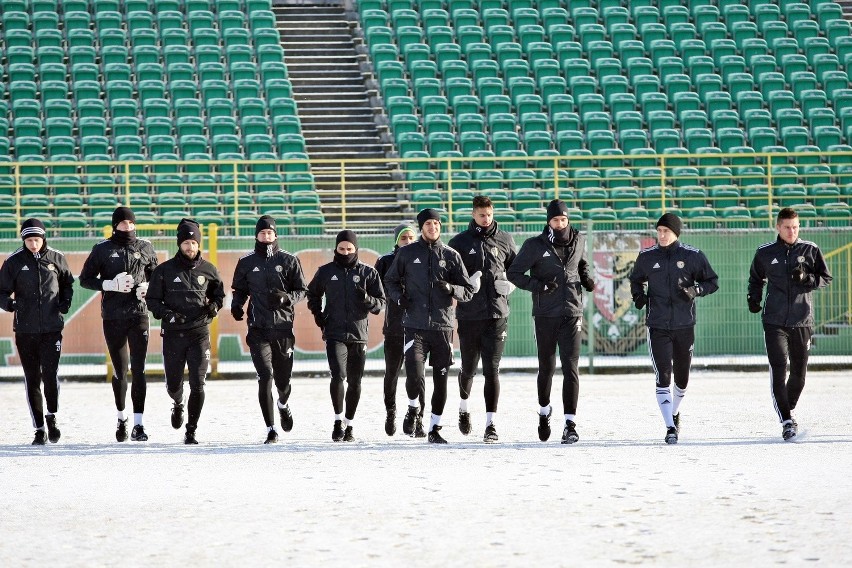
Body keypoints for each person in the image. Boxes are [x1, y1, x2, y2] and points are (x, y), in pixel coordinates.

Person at [384, 208, 475, 444]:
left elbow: (467, 291)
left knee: (441, 380)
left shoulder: (451, 255)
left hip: (443, 328)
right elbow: (390, 280)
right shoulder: (406, 254)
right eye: (427, 224)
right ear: (421, 228)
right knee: (414, 374)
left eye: (436, 223)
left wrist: (451, 289)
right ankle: (414, 406)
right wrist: (399, 297)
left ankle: (435, 428)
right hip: (414, 326)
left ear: (440, 226)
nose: (432, 227)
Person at [507, 200, 594, 444]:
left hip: (572, 312)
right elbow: (514, 274)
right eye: (555, 220)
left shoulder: (579, 240)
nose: (560, 224)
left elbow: (581, 264)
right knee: (547, 367)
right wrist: (539, 286)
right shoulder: (534, 245)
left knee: (571, 367)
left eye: (563, 220)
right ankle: (544, 412)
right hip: (545, 314)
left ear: (568, 220)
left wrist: (586, 279)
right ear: (549, 221)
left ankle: (570, 424)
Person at [628, 213, 719, 444]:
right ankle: (670, 427)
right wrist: (638, 296)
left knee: (682, 378)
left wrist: (695, 291)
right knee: (663, 375)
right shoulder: (647, 256)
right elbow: (635, 279)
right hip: (657, 325)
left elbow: (712, 281)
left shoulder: (693, 256)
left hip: (684, 325)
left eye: (666, 231)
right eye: (658, 231)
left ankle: (674, 412)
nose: (661, 235)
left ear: (676, 233)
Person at [747, 207, 832, 441]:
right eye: (787, 227)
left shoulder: (810, 249)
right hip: (774, 321)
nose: (791, 231)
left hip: (802, 320)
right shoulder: (765, 252)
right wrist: (753, 299)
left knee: (799, 375)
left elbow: (825, 278)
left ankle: (788, 407)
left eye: (795, 227)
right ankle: (786, 420)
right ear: (778, 227)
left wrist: (808, 279)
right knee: (778, 368)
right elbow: (756, 279)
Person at [79, 207, 158, 442]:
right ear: (115, 226)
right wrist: (109, 284)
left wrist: (149, 288)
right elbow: (85, 280)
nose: (128, 227)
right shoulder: (102, 249)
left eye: (131, 223)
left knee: (140, 369)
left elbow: (157, 276)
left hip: (139, 315)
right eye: (123, 224)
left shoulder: (145, 247)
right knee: (120, 370)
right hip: (113, 316)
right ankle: (121, 417)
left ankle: (139, 424)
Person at [146, 218, 225, 444]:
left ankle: (191, 430)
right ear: (179, 244)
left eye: (194, 243)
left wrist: (214, 306)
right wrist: (168, 314)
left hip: (199, 333)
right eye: (186, 243)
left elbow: (219, 296)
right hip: (173, 334)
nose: (190, 247)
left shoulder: (209, 269)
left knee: (198, 383)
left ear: (199, 244)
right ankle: (178, 402)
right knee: (173, 384)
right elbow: (152, 300)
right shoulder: (164, 270)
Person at [231, 215, 307, 444]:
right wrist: (237, 305)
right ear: (256, 235)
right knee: (265, 376)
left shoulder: (289, 260)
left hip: (283, 329)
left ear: (276, 235)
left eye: (270, 233)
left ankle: (283, 404)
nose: (266, 236)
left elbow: (302, 291)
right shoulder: (246, 262)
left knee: (282, 382)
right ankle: (271, 428)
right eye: (262, 233)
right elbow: (240, 290)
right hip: (258, 329)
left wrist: (287, 299)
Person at [447, 196, 517, 443]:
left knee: (492, 370)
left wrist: (511, 285)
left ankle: (491, 424)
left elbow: (516, 271)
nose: (485, 219)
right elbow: (448, 277)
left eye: (489, 214)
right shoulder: (459, 243)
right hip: (469, 315)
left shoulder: (505, 239)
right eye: (481, 215)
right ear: (473, 214)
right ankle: (464, 408)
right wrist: (465, 286)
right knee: (468, 368)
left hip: (497, 314)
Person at [0, 219, 74, 445]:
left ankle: (51, 416)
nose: (33, 244)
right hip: (25, 330)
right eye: (29, 240)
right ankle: (39, 428)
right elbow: (1, 292)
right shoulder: (13, 262)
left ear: (44, 239)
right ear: (23, 240)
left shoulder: (56, 258)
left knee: (50, 376)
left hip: (52, 329)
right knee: (32, 379)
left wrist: (65, 303)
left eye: (37, 240)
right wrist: (10, 305)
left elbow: (67, 284)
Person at [307, 230, 386, 442]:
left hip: (359, 335)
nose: (345, 252)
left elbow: (381, 304)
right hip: (334, 333)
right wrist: (319, 315)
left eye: (349, 249)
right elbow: (312, 294)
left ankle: (349, 424)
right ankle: (337, 420)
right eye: (341, 249)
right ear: (336, 249)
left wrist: (368, 299)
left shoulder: (369, 273)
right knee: (338, 375)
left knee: (355, 380)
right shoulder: (325, 271)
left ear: (356, 249)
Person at [374, 223, 425, 437]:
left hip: (419, 326)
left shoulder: (424, 258)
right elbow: (377, 289)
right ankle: (390, 411)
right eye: (403, 238)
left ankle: (418, 419)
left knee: (417, 376)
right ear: (396, 241)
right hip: (395, 327)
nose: (408, 242)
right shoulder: (385, 261)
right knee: (392, 373)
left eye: (411, 237)